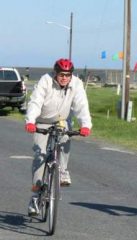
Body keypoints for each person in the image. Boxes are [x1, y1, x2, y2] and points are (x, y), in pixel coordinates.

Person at [25, 58, 92, 216]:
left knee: (65, 139)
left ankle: (62, 171)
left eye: (67, 75)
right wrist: (31, 121)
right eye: (61, 74)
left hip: (61, 120)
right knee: (40, 154)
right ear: (55, 73)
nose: (64, 78)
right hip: (42, 121)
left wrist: (85, 125)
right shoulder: (45, 80)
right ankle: (36, 195)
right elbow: (35, 101)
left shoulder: (76, 84)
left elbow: (81, 104)